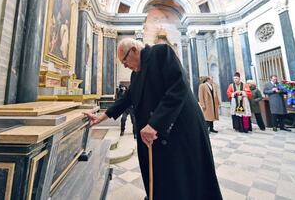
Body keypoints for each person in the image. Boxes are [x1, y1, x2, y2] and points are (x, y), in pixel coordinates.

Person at [84, 38, 222, 200]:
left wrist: (155, 123)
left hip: (180, 128)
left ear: (134, 50)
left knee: (184, 175)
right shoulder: (136, 75)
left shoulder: (161, 53)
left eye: (124, 60)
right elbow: (126, 99)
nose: (125, 65)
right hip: (158, 133)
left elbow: (178, 88)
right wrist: (102, 117)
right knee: (162, 174)